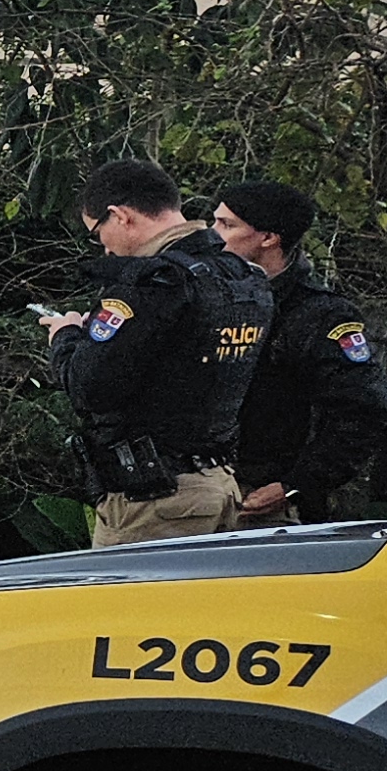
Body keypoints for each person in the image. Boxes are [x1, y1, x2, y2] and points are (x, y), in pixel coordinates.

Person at [40, 160, 271, 547]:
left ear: (120, 216)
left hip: (155, 503)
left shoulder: (151, 284)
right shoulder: (240, 277)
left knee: (128, 608)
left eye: (99, 234)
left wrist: (66, 337)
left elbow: (91, 386)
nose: (105, 249)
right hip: (220, 487)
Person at [210, 179, 387, 525]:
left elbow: (369, 408)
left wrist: (296, 484)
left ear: (268, 238)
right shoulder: (213, 294)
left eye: (227, 225)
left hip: (264, 501)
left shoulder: (319, 315)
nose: (213, 234)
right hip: (200, 486)